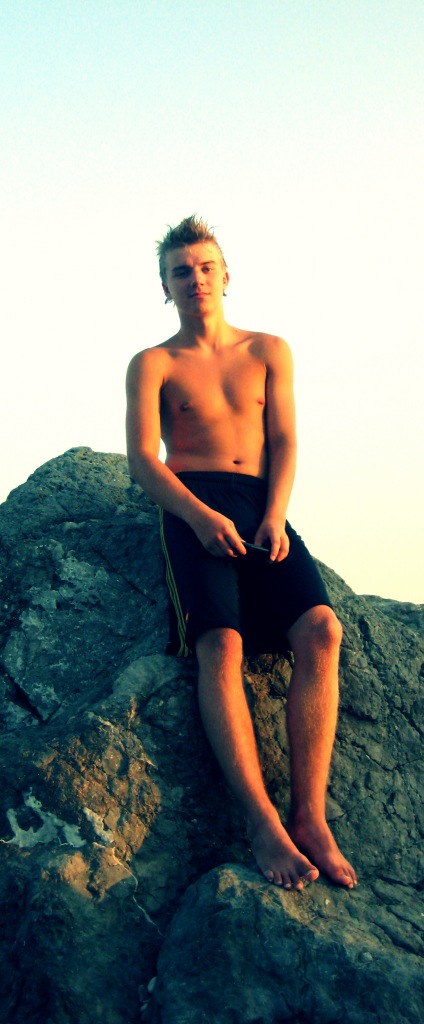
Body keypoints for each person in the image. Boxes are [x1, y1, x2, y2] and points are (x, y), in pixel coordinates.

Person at [126, 215, 357, 891]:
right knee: (220, 647)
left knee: (322, 630)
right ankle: (262, 823)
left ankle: (309, 815)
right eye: (180, 271)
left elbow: (283, 440)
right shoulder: (154, 363)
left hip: (260, 502)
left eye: (205, 267)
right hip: (192, 503)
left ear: (226, 275)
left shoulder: (268, 350)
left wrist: (276, 515)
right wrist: (198, 518)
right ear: (164, 287)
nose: (194, 279)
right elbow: (143, 460)